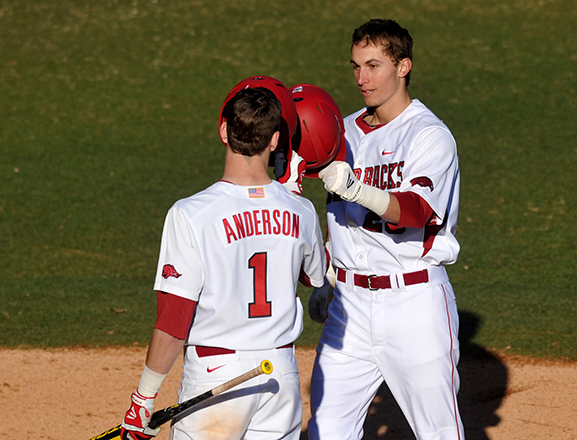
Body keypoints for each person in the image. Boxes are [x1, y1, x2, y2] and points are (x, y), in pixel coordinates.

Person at [120, 86, 327, 440]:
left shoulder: (190, 214)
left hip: (216, 378)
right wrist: (290, 198)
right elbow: (314, 278)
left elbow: (174, 320)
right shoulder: (301, 210)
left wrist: (144, 397)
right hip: (280, 376)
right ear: (275, 140)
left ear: (223, 131)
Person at [308, 18, 464, 440]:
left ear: (403, 66)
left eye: (374, 65)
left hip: (413, 304)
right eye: (356, 66)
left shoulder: (428, 136)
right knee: (326, 430)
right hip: (349, 307)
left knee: (438, 432)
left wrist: (358, 188)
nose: (362, 78)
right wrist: (327, 277)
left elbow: (414, 211)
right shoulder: (342, 131)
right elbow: (340, 215)